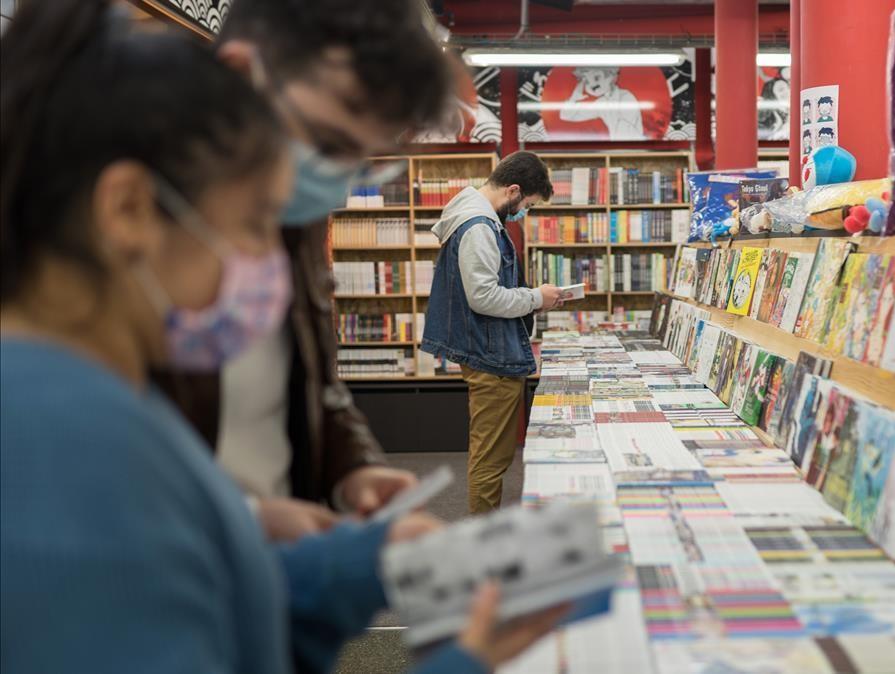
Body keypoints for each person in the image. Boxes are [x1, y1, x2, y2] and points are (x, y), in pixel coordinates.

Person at [0, 3, 559, 672]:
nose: (262, 264)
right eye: (253, 221)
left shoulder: (97, 406)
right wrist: (468, 662)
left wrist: (342, 560)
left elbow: (207, 601)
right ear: (127, 211)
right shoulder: (67, 445)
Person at [158, 0, 455, 542]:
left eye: (365, 164)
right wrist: (245, 525)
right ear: (241, 77)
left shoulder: (292, 213)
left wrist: (351, 471)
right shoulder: (108, 240)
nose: (339, 186)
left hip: (264, 585)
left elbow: (313, 381)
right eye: (329, 144)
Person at [421, 151, 562, 513]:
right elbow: (483, 297)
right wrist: (536, 298)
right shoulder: (479, 227)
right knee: (491, 459)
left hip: (490, 350)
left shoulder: (475, 217)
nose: (522, 213)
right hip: (490, 356)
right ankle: (485, 542)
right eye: (526, 205)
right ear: (513, 190)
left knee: (493, 456)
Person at [561, 66, 646, 140]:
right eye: (587, 82)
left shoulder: (626, 97)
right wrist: (573, 98)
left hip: (632, 150)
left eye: (597, 77)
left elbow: (626, 132)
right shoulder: (601, 103)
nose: (592, 85)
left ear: (610, 76)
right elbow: (566, 116)